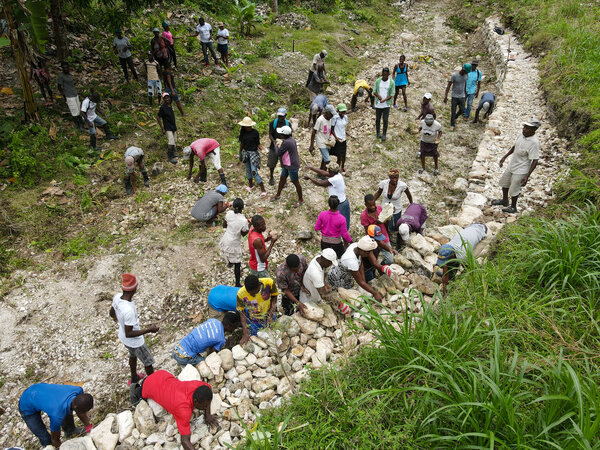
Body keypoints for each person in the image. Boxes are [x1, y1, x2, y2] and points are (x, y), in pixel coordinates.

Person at [130, 370, 217, 450]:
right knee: (137, 401)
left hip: (162, 374)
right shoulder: (183, 410)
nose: (206, 407)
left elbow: (207, 389)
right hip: (148, 385)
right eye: (204, 406)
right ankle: (135, 388)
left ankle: (146, 379)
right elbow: (185, 441)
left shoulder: (199, 386)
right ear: (195, 401)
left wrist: (207, 415)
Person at [110, 273, 159, 385]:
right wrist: (149, 330)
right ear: (134, 289)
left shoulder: (117, 297)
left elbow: (111, 312)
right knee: (148, 362)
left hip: (123, 337)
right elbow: (130, 333)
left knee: (132, 356)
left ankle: (134, 377)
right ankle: (155, 384)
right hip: (135, 342)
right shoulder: (129, 311)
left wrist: (117, 321)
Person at [19, 384, 93, 447]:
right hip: (27, 405)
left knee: (67, 410)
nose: (84, 414)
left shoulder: (78, 391)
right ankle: (48, 446)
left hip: (39, 391)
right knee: (46, 439)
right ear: (76, 407)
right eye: (83, 411)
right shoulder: (57, 415)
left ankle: (70, 431)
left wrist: (89, 428)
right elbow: (55, 440)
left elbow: (80, 412)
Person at [491, 119, 541, 213]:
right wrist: (504, 157)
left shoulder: (534, 143)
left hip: (521, 168)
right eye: (524, 127)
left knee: (515, 187)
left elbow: (535, 160)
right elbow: (515, 147)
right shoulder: (522, 135)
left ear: (534, 130)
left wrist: (527, 176)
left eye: (527, 128)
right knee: (504, 183)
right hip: (512, 164)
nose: (524, 130)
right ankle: (505, 200)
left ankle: (513, 207)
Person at [327, 235, 390, 300]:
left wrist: (364, 282)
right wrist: (375, 293)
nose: (370, 254)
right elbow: (360, 282)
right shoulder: (351, 261)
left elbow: (361, 265)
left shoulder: (356, 246)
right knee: (344, 295)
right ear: (363, 251)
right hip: (338, 277)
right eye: (369, 252)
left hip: (346, 273)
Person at [172, 313, 241, 366]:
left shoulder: (213, 320)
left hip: (176, 348)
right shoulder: (221, 339)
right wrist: (227, 347)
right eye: (235, 326)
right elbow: (211, 356)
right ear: (229, 326)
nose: (235, 328)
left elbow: (207, 335)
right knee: (206, 364)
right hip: (183, 357)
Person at [437, 223, 487, 295]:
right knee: (450, 266)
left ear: (453, 255)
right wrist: (444, 292)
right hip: (470, 227)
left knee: (466, 271)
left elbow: (470, 271)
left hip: (482, 231)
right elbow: (445, 268)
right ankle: (452, 275)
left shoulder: (463, 255)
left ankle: (457, 281)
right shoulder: (448, 247)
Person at [299, 249, 349, 314]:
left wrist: (324, 283)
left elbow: (322, 272)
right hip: (309, 299)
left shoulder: (318, 258)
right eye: (330, 262)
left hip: (312, 289)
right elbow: (323, 294)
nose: (330, 265)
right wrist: (338, 302)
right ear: (325, 260)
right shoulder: (315, 273)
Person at [305, 162, 350, 229]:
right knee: (344, 224)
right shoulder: (338, 175)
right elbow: (323, 172)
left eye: (328, 169)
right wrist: (312, 168)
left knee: (340, 225)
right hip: (343, 202)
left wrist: (309, 178)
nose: (327, 170)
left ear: (331, 171)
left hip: (339, 205)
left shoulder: (334, 179)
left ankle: (340, 237)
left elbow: (320, 183)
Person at [237, 275, 279, 343]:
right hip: (254, 321)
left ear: (259, 285)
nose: (252, 295)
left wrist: (271, 315)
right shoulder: (241, 293)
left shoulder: (269, 283)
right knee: (256, 340)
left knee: (274, 338)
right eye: (249, 293)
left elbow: (274, 296)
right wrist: (245, 332)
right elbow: (242, 312)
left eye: (254, 293)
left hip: (269, 316)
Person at [220, 198, 250, 286]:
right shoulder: (243, 220)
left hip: (226, 239)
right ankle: (237, 283)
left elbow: (224, 225)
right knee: (238, 263)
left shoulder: (229, 213)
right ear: (242, 207)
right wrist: (249, 225)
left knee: (229, 252)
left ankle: (229, 262)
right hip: (234, 242)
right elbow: (243, 234)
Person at [373, 168, 413, 236]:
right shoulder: (384, 183)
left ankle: (392, 235)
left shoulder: (402, 185)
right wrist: (372, 202)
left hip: (396, 208)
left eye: (396, 178)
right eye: (392, 178)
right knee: (384, 223)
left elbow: (409, 195)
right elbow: (378, 193)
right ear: (389, 177)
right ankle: (385, 235)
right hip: (385, 207)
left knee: (393, 227)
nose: (394, 180)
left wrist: (411, 204)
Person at [271, 125, 303, 206]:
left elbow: (278, 153)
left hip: (291, 165)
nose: (280, 135)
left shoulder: (286, 142)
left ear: (284, 135)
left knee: (295, 182)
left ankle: (301, 199)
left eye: (281, 134)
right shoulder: (291, 139)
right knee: (282, 179)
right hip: (287, 164)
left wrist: (275, 145)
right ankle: (278, 195)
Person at [360, 196, 394, 265]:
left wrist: (388, 217)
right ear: (365, 205)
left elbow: (386, 223)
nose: (373, 207)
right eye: (370, 205)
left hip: (384, 237)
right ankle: (376, 268)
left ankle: (382, 266)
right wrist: (377, 222)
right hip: (373, 240)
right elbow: (368, 231)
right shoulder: (364, 216)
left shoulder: (379, 208)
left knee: (390, 260)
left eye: (374, 204)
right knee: (373, 261)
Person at [238, 116, 267, 197]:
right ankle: (251, 185)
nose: (249, 127)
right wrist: (240, 153)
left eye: (250, 126)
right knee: (248, 170)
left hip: (253, 153)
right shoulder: (242, 134)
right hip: (246, 153)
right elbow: (242, 144)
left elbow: (258, 143)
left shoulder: (255, 132)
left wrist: (262, 149)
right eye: (247, 126)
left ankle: (263, 189)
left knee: (254, 171)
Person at [57, 62, 84, 131]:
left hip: (74, 93)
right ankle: (78, 125)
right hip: (68, 95)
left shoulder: (69, 74)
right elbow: (59, 87)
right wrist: (64, 96)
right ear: (62, 68)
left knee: (78, 109)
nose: (66, 69)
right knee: (74, 110)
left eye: (67, 67)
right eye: (64, 68)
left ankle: (81, 123)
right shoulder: (61, 75)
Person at [267, 108, 290, 185]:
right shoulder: (273, 123)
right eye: (279, 116)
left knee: (284, 164)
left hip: (284, 147)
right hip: (274, 146)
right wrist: (273, 141)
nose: (280, 118)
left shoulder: (287, 124)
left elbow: (290, 136)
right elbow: (270, 134)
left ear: (285, 116)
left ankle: (284, 180)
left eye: (282, 116)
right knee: (272, 163)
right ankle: (271, 177)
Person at [309, 104, 335, 171]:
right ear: (327, 113)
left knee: (324, 159)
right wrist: (311, 145)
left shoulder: (329, 119)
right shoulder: (320, 120)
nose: (332, 116)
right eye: (331, 114)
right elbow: (314, 132)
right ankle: (331, 174)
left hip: (327, 142)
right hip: (321, 142)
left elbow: (329, 130)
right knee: (328, 160)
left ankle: (321, 173)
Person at [444, 63, 470, 129]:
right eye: (466, 71)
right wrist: (446, 96)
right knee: (453, 110)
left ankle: (455, 117)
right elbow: (449, 86)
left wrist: (465, 91)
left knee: (462, 110)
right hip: (454, 96)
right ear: (463, 69)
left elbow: (465, 83)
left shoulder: (466, 75)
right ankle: (452, 125)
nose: (466, 73)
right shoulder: (455, 76)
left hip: (462, 96)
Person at [374, 67, 395, 141]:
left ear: (388, 74)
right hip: (378, 104)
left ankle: (384, 134)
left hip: (386, 105)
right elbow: (374, 91)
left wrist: (385, 100)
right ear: (382, 74)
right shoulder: (378, 81)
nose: (384, 76)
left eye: (386, 75)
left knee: (385, 120)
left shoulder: (391, 82)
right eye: (383, 74)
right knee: (378, 119)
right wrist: (378, 96)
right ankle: (378, 133)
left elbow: (392, 94)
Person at [157, 92, 178, 164]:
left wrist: (175, 126)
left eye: (168, 97)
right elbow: (158, 117)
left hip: (173, 126)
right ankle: (170, 157)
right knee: (171, 141)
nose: (167, 99)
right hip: (167, 127)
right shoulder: (163, 108)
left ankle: (173, 153)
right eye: (165, 98)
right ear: (163, 99)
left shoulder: (170, 106)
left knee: (175, 140)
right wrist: (162, 128)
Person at [330, 103, 350, 174]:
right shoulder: (335, 118)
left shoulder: (345, 117)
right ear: (338, 111)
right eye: (342, 112)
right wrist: (336, 138)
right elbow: (332, 129)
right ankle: (337, 169)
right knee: (339, 155)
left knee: (343, 154)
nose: (343, 113)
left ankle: (342, 167)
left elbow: (343, 127)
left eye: (344, 112)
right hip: (337, 138)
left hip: (343, 138)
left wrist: (347, 133)